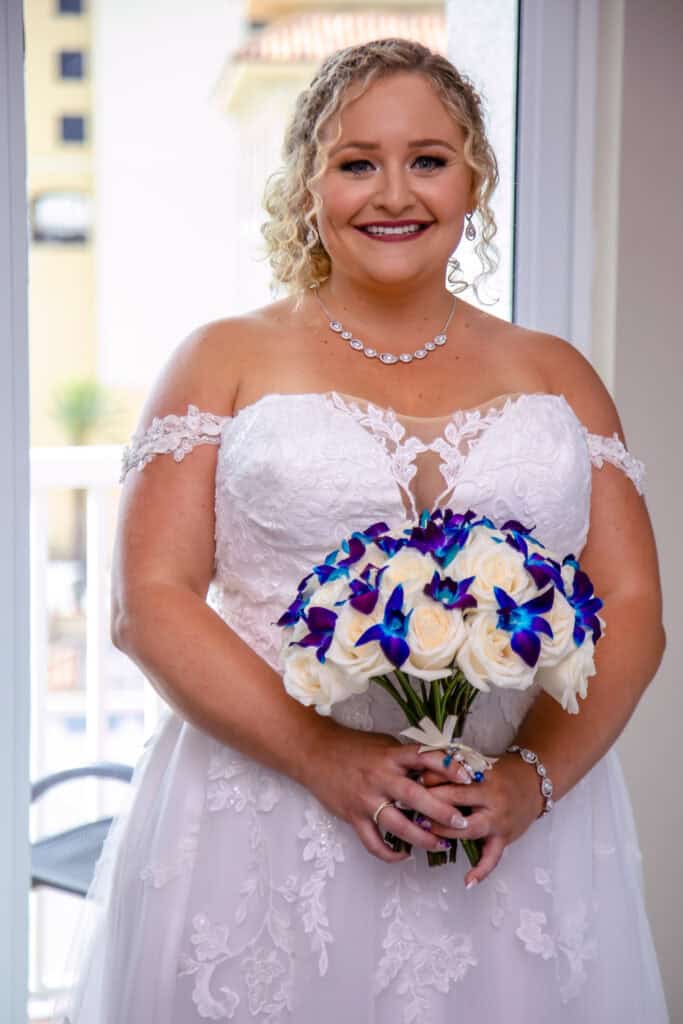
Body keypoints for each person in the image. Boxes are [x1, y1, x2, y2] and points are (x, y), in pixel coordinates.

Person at [62, 38, 669, 1023]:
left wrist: (530, 781)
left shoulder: (555, 371)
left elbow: (632, 606)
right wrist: (323, 758)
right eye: (356, 163)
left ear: (472, 179)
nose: (394, 191)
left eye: (427, 158)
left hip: (513, 843)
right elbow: (149, 603)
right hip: (262, 828)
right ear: (308, 186)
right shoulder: (222, 357)